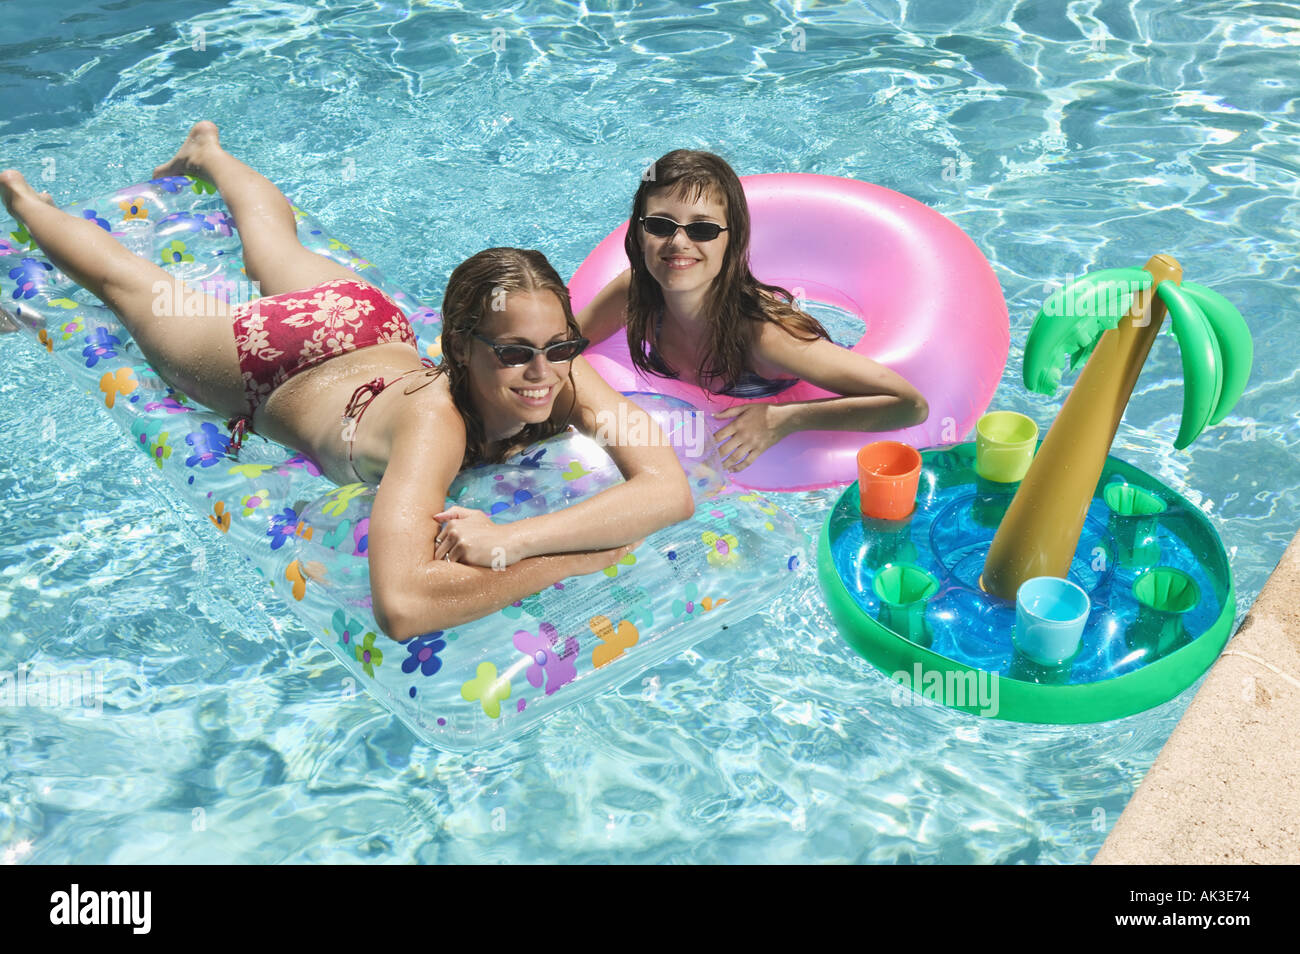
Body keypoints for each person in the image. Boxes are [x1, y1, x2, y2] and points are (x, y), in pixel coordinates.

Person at [0, 122, 694, 642]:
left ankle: (206, 153)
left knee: (275, 244)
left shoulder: (558, 373)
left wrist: (527, 537)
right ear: (459, 349)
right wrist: (568, 562)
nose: (542, 373)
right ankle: (21, 198)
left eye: (559, 346)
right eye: (515, 353)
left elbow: (668, 487)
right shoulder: (436, 426)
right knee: (130, 285)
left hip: (362, 323)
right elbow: (402, 605)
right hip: (275, 360)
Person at [577, 149, 930, 473]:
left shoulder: (767, 336)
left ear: (733, 239)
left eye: (702, 229)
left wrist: (785, 419)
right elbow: (565, 344)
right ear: (638, 234)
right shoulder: (636, 291)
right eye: (659, 225)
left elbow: (909, 404)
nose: (679, 242)